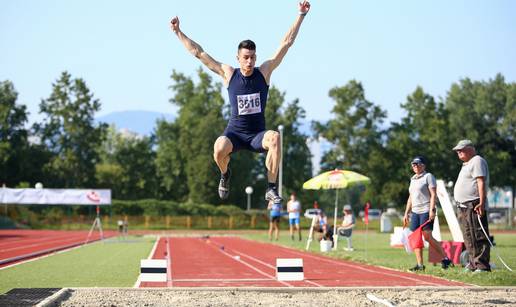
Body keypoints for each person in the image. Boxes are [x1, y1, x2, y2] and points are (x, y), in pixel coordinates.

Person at [170, 1, 311, 205]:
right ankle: (225, 174)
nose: (249, 61)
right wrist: (178, 32)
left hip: (256, 135)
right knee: (218, 148)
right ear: (238, 58)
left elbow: (286, 43)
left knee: (275, 138)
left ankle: (271, 189)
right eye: (246, 57)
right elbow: (198, 53)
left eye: (253, 57)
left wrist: (301, 15)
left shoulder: (264, 72)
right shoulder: (229, 74)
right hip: (235, 134)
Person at [403, 156, 451, 272]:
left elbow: (433, 194)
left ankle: (445, 258)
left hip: (425, 210)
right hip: (415, 212)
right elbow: (410, 198)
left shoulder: (428, 176)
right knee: (415, 238)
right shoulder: (412, 179)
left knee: (427, 237)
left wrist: (432, 210)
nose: (415, 166)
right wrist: (406, 213)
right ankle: (420, 265)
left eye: (417, 164)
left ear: (423, 165)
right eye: (413, 164)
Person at [452, 140, 491, 273]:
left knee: (478, 235)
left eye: (461, 149)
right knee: (468, 236)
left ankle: (482, 265)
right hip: (463, 206)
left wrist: (481, 201)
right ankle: (473, 263)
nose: (459, 152)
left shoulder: (477, 160)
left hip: (474, 204)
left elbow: (481, 182)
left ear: (471, 149)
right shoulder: (466, 164)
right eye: (457, 150)